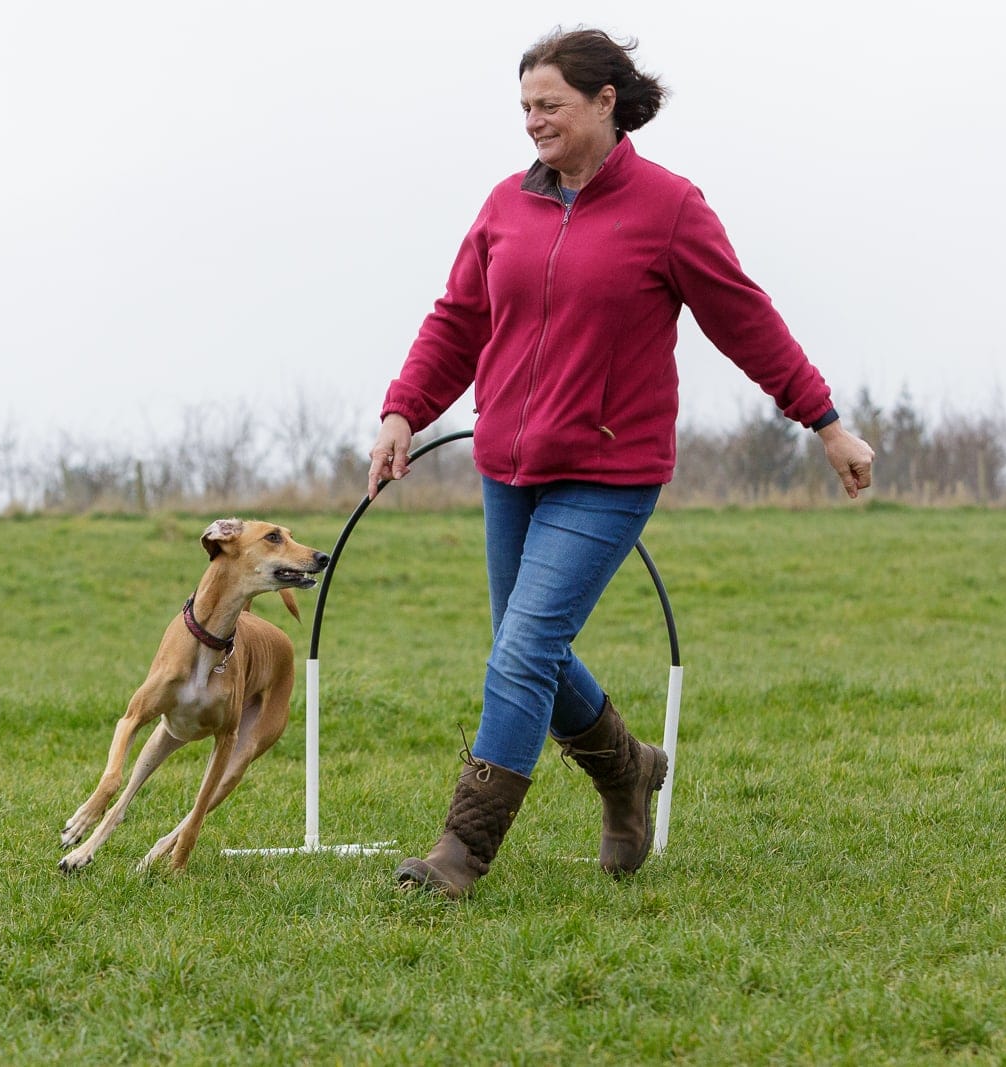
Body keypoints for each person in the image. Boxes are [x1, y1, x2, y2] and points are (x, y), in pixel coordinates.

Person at [366, 27, 875, 900]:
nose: (534, 121)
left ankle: (460, 852)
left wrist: (823, 419)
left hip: (609, 472)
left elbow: (742, 317)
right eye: (526, 106)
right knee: (531, 649)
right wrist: (404, 407)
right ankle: (628, 770)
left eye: (551, 105)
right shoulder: (503, 207)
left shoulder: (668, 208)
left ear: (606, 103)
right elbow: (458, 320)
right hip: (508, 468)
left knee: (522, 649)